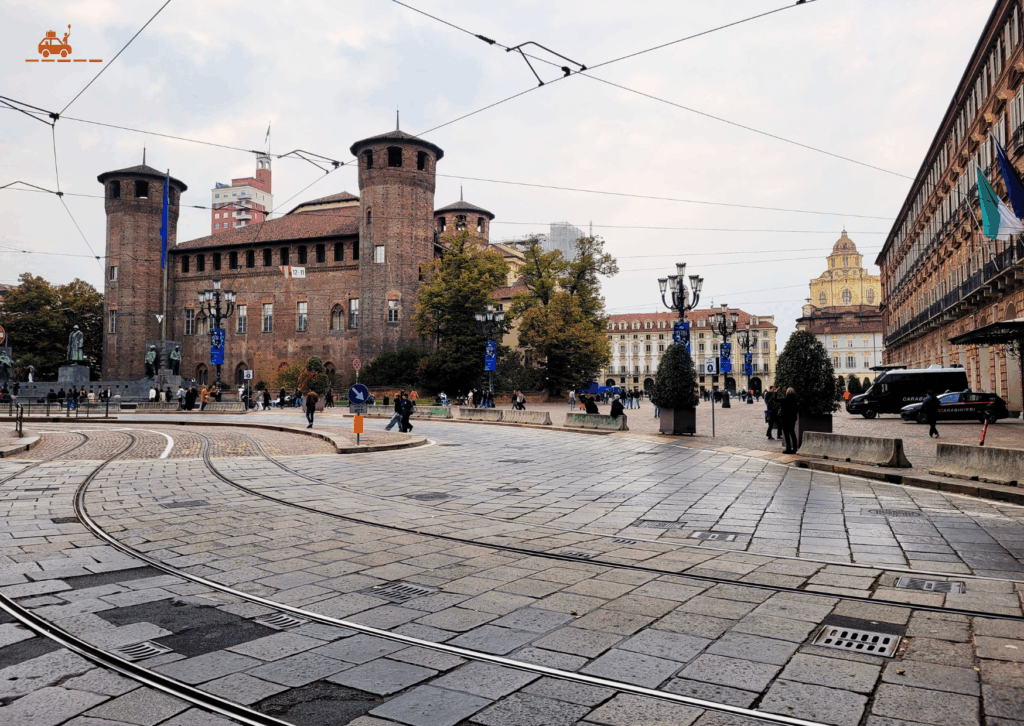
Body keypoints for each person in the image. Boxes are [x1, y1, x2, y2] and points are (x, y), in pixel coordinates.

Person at [779, 387, 799, 454]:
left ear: (787, 392)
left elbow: (776, 399)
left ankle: (788, 448)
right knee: (792, 433)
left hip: (785, 418)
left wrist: (775, 392)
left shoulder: (786, 398)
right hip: (792, 418)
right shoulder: (794, 398)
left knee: (786, 434)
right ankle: (795, 448)